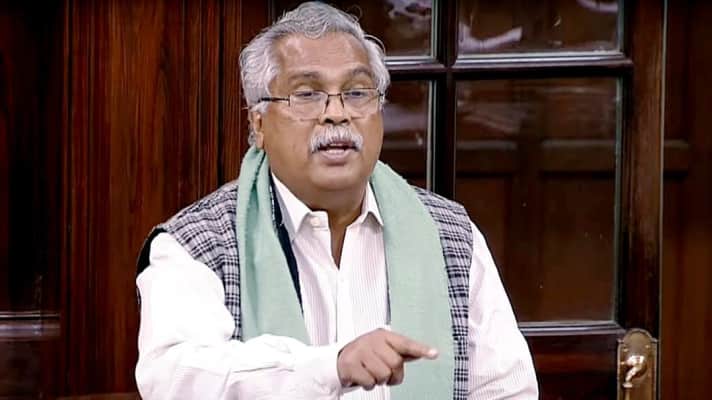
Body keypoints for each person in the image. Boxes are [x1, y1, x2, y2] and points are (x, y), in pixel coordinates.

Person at [134, 2, 537, 399]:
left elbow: (506, 390)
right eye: (307, 94)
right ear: (259, 124)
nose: (336, 113)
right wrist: (331, 367)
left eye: (357, 92)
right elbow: (174, 379)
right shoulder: (196, 244)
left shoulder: (451, 235)